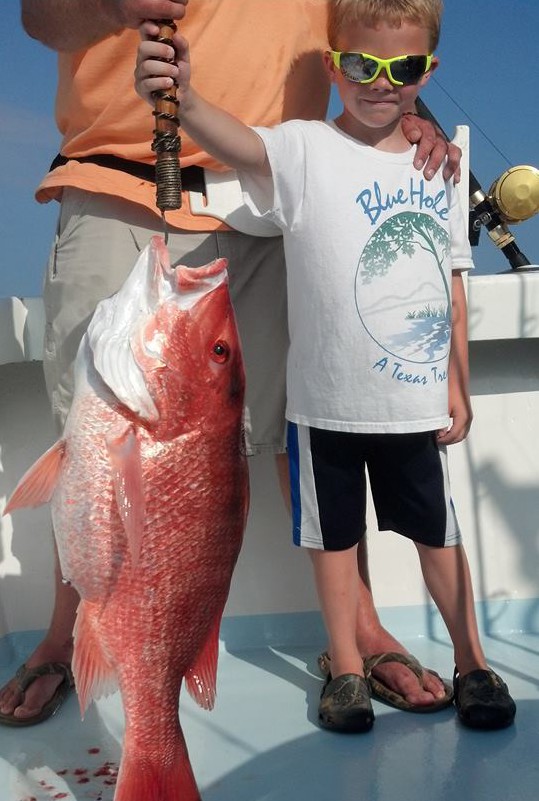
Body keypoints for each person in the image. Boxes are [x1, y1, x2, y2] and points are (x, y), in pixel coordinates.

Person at [0, 0, 459, 726]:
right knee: (92, 439)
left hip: (278, 198)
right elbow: (41, 18)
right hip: (119, 184)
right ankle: (69, 635)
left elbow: (371, 40)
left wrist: (399, 121)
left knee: (308, 431)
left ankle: (361, 629)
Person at [134, 0, 517, 733]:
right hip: (320, 409)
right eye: (359, 65)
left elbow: (453, 278)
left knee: (438, 535)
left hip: (412, 407)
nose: (381, 83)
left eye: (401, 69)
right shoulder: (302, 148)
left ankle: (472, 660)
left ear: (426, 72)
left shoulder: (440, 163)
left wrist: (455, 381)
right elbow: (234, 140)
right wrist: (179, 92)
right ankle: (344, 668)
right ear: (331, 66)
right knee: (331, 543)